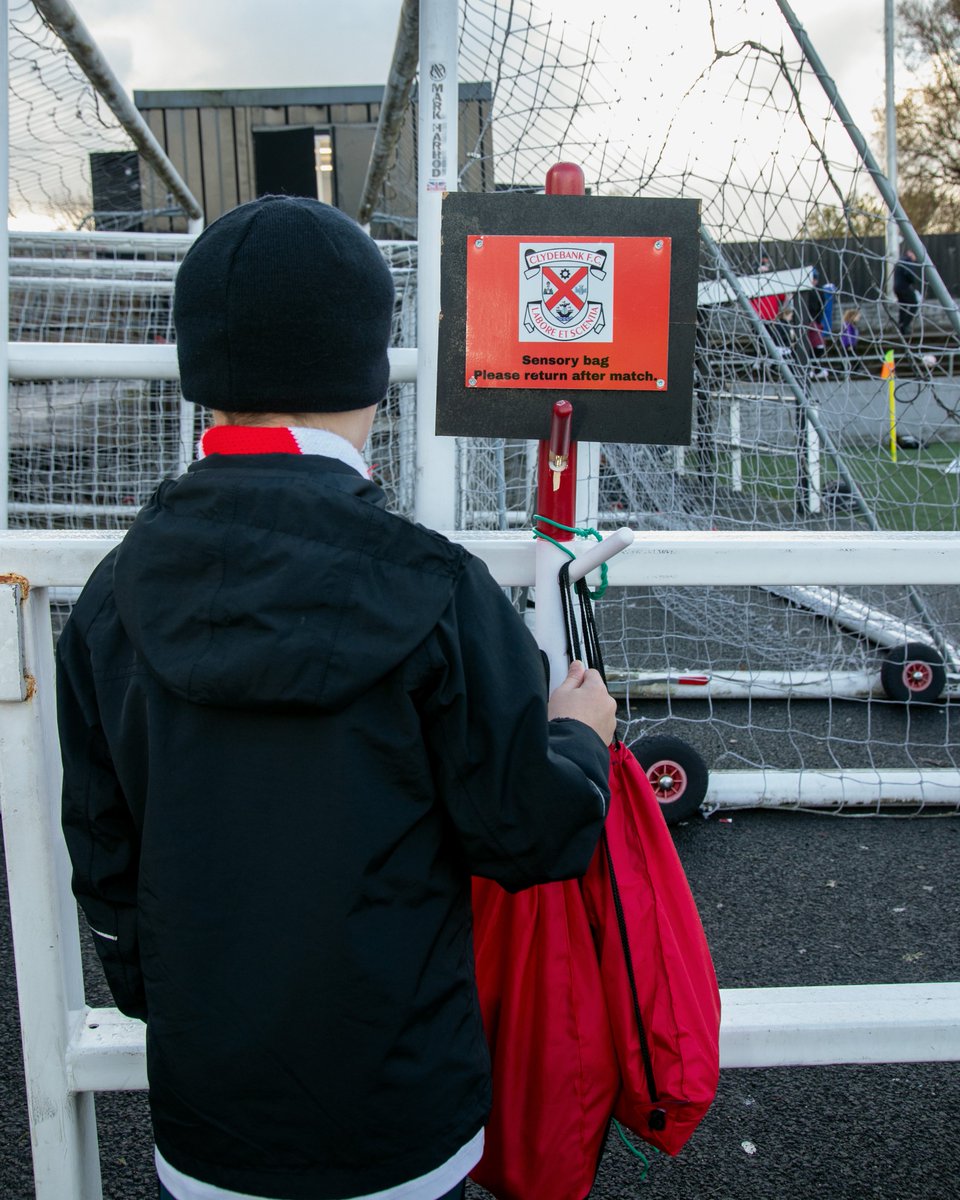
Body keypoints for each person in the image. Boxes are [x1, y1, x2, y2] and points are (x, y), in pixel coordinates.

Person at [56, 195, 617, 1200]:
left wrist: (173, 1003)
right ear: (370, 365)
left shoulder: (112, 597)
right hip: (404, 1115)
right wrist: (579, 742)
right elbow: (529, 833)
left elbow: (104, 855)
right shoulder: (439, 588)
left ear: (201, 368)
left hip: (210, 1118)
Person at [893, 247, 922, 336]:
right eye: (914, 255)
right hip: (904, 287)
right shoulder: (908, 261)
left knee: (903, 306)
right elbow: (908, 273)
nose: (915, 258)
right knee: (914, 304)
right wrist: (912, 281)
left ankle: (901, 327)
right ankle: (905, 325)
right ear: (910, 253)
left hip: (897, 288)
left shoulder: (900, 261)